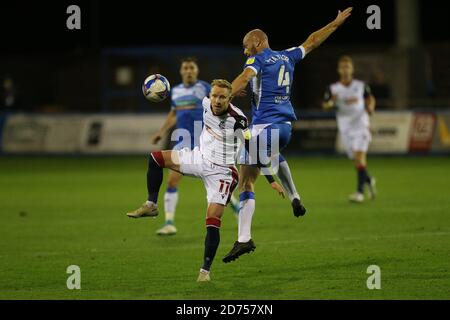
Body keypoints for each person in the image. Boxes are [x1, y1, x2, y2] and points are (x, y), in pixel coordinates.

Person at [222, 7, 353, 263]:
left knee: (245, 177)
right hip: (285, 129)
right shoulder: (287, 57)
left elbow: (243, 77)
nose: (245, 50)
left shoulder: (257, 60)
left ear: (258, 42)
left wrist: (223, 95)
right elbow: (313, 41)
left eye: (247, 45)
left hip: (264, 128)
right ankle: (293, 198)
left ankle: (246, 237)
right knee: (256, 169)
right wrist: (335, 23)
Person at [126, 79, 281, 281]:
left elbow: (253, 150)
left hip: (222, 173)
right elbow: (187, 102)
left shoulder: (238, 121)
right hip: (198, 158)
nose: (216, 100)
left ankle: (204, 272)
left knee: (212, 220)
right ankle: (151, 204)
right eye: (214, 95)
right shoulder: (205, 102)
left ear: (229, 99)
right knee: (155, 159)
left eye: (222, 97)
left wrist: (271, 180)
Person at [151, 58, 240, 236]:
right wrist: (162, 131)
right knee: (172, 180)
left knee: (210, 177)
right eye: (186, 68)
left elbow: (220, 105)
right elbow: (174, 113)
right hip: (183, 139)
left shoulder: (205, 88)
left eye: (192, 67)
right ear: (181, 71)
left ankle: (235, 204)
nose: (189, 71)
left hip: (204, 139)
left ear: (196, 70)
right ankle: (169, 222)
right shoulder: (175, 91)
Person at [322, 55, 377, 203]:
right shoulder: (333, 88)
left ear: (352, 69)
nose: (345, 70)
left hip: (361, 125)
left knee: (359, 158)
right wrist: (331, 103)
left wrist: (370, 107)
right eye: (343, 67)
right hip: (345, 128)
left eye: (348, 67)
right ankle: (369, 180)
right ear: (339, 70)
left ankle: (359, 193)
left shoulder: (360, 85)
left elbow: (370, 98)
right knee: (356, 161)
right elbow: (325, 105)